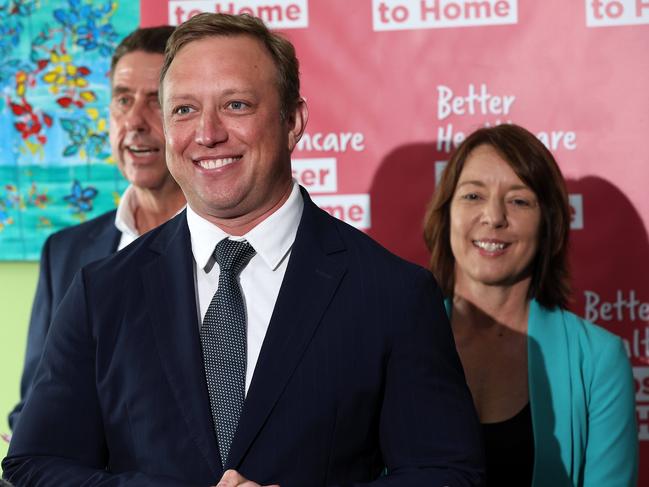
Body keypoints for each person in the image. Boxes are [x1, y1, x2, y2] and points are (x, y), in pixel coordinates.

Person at [2, 13, 484, 487]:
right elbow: (36, 463)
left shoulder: (392, 293)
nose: (207, 134)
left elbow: (448, 473)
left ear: (293, 121)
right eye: (184, 110)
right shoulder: (100, 292)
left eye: (235, 105)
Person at [423, 123, 637, 486]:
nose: (493, 217)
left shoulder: (599, 360)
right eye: (473, 196)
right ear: (446, 214)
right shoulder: (396, 343)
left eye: (519, 200)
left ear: (548, 224)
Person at [7, 25, 186, 431]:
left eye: (157, 101)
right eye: (123, 100)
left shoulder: (232, 246)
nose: (135, 121)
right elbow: (36, 403)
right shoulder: (65, 251)